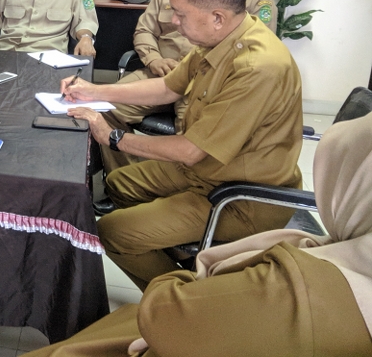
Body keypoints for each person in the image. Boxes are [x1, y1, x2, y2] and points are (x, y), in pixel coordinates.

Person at [22, 111, 372, 357]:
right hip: (209, 176)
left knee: (114, 236)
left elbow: (167, 314)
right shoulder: (338, 260)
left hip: (232, 193)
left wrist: (186, 283)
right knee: (123, 186)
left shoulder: (295, 284)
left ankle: (171, 261)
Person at [63, 0, 302, 290]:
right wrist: (94, 90)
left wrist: (113, 137)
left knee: (112, 233)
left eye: (180, 14)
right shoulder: (218, 38)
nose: (173, 22)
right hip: (206, 171)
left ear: (217, 17)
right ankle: (181, 259)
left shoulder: (255, 67)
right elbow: (166, 87)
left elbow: (190, 151)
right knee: (119, 184)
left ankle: (185, 300)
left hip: (240, 195)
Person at [107, 0, 277, 168]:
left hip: (210, 84)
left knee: (193, 142)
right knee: (104, 108)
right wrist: (154, 59)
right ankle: (125, 175)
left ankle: (176, 185)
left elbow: (256, 50)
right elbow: (145, 30)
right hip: (162, 74)